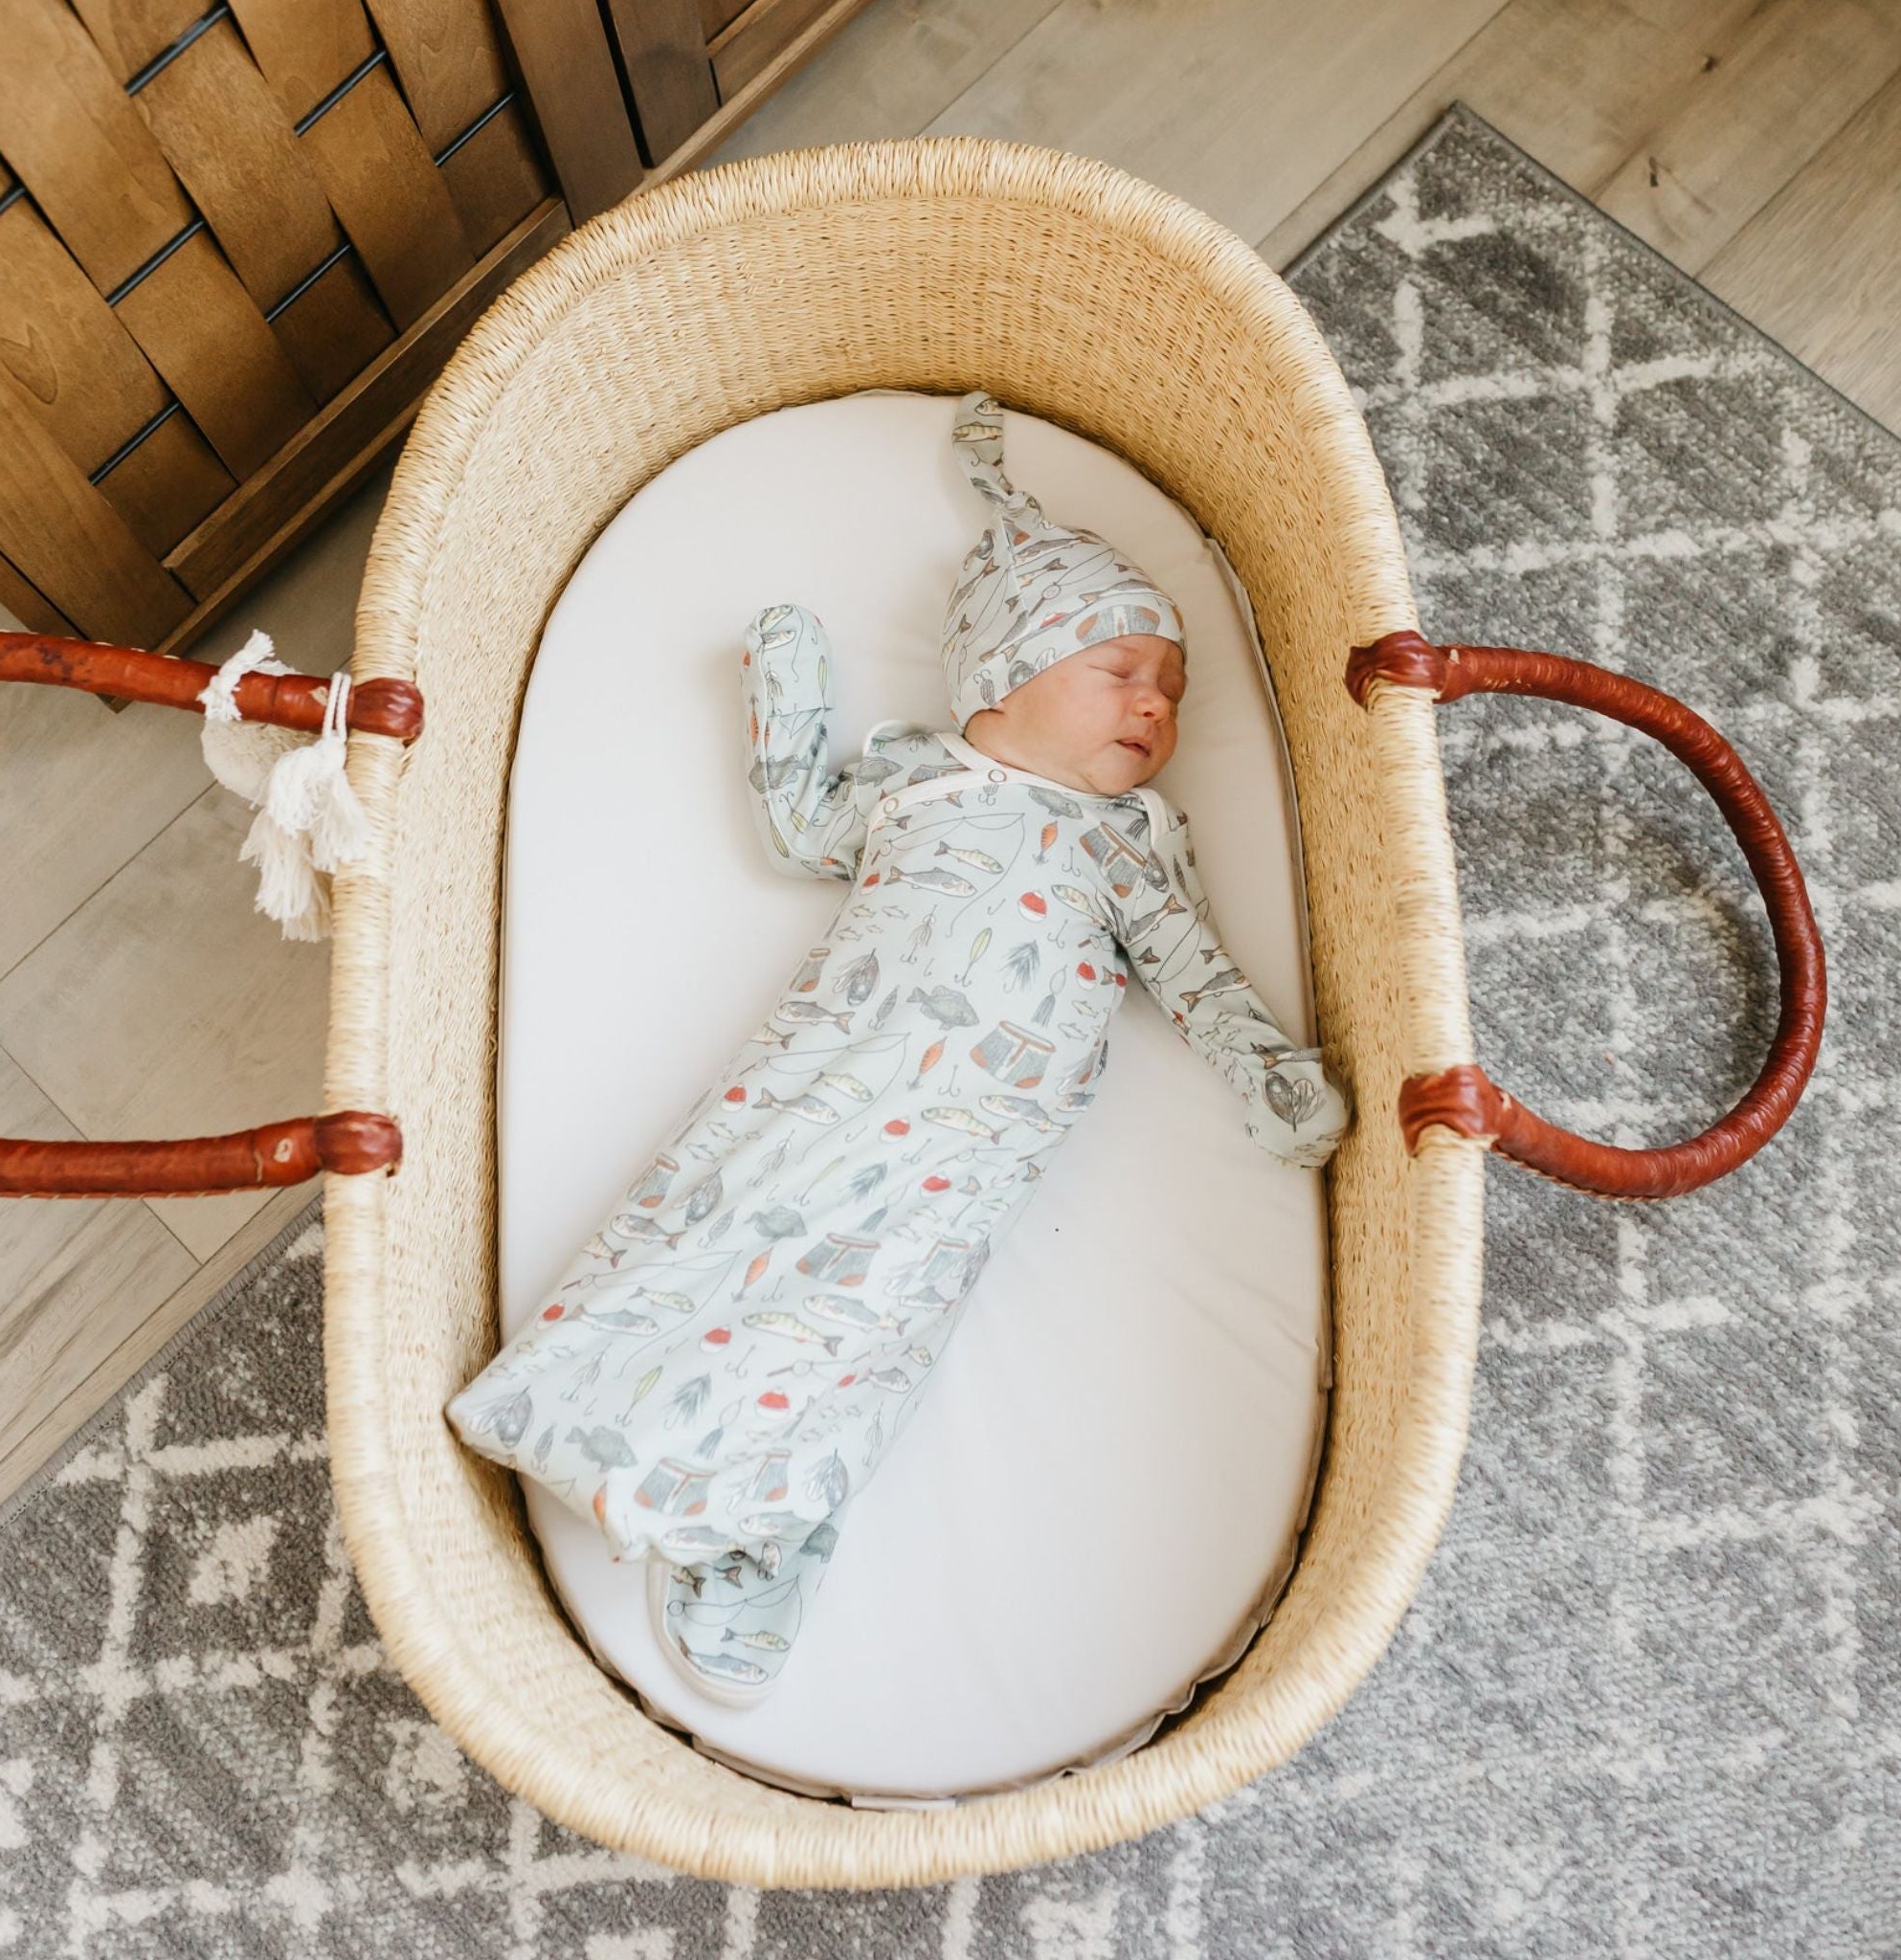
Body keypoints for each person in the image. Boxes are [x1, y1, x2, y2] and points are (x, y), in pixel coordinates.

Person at [444, 389, 1352, 1705]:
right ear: (1005, 672)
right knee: (725, 1220)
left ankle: (761, 1535)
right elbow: (801, 829)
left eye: (1170, 691)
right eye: (1121, 671)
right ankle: (592, 1406)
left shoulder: (1126, 842)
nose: (1155, 708)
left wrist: (1269, 1069)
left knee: (874, 1319)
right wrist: (789, 690)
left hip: (969, 1139)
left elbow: (1193, 969)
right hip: (831, 1072)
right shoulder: (916, 782)